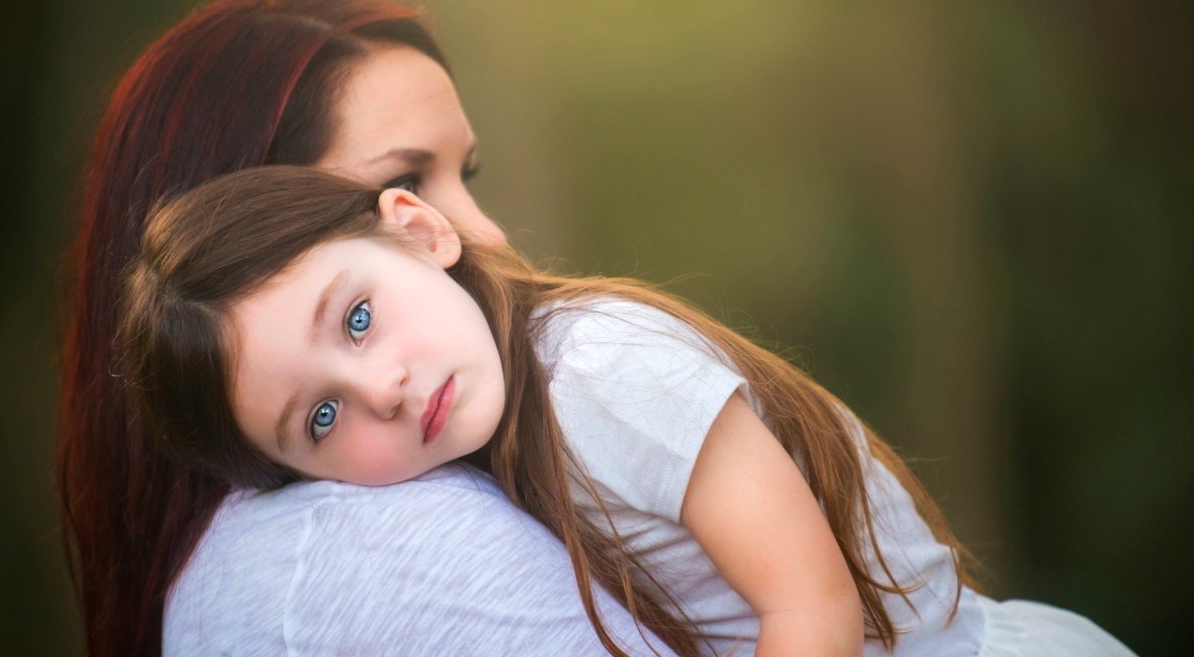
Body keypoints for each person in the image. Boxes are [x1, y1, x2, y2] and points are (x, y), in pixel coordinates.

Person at [119, 165, 1138, 657]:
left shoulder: (599, 372)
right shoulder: (484, 426)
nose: (378, 386)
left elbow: (812, 605)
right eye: (323, 422)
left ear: (419, 228)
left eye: (357, 317)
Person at [58, 1, 676, 656]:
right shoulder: (376, 549)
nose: (488, 235)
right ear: (246, 225)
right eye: (404, 179)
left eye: (462, 174)